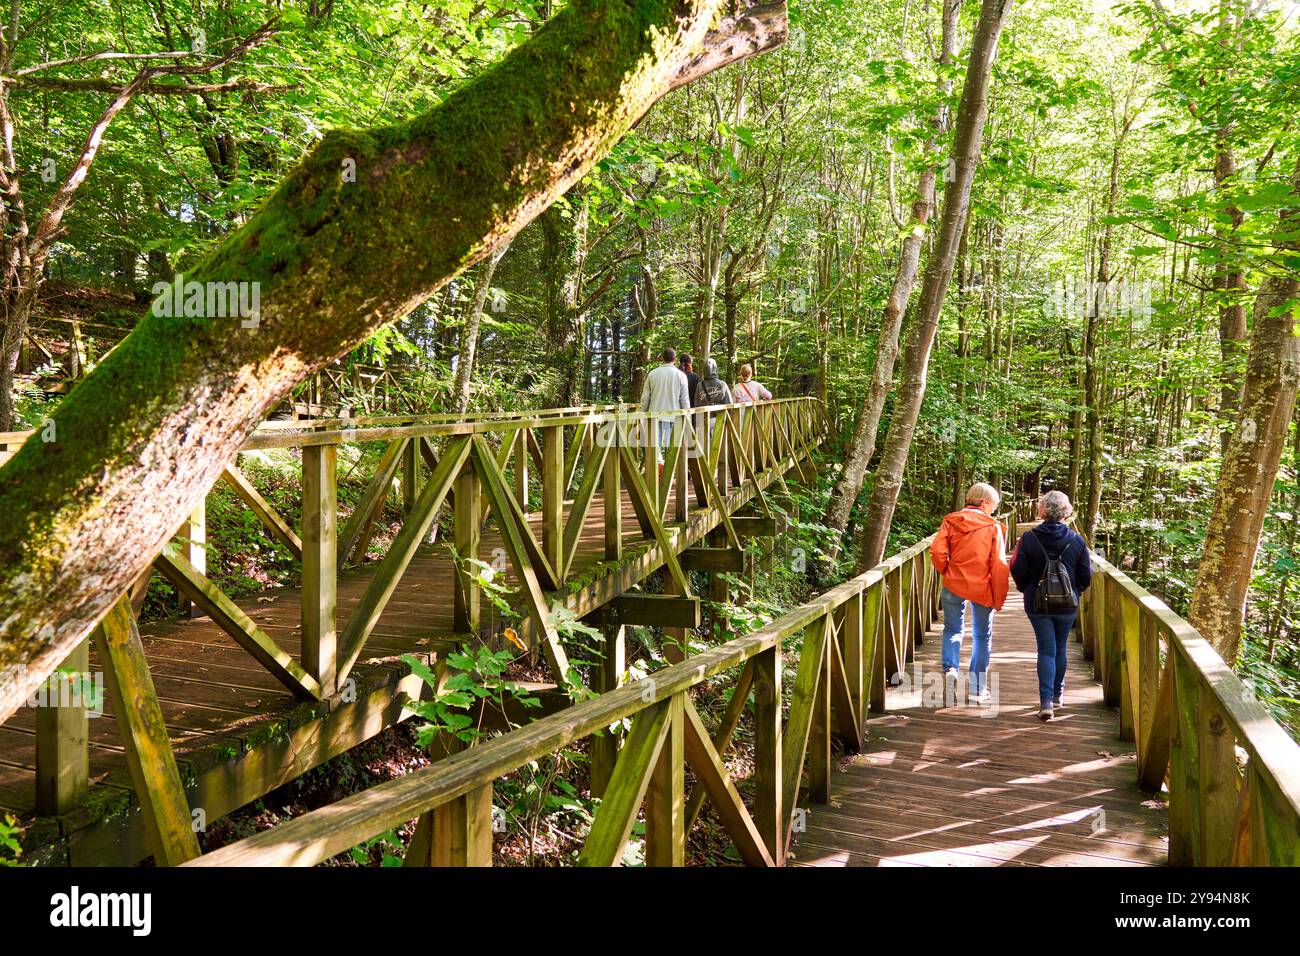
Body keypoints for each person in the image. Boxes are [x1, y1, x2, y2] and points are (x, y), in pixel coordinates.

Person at [1010, 490, 1092, 722]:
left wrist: (1027, 589)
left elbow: (1016, 568)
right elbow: (1086, 575)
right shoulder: (1077, 540)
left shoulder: (1029, 538)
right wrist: (1075, 591)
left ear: (1042, 510)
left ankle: (1046, 702)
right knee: (1060, 648)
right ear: (1066, 512)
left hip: (1037, 603)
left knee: (1046, 649)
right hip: (1067, 604)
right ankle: (1057, 696)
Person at [929, 482, 1009, 702]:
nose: (994, 510)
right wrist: (999, 596)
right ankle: (977, 689)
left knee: (952, 628)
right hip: (982, 586)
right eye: (993, 505)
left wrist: (947, 570)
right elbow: (999, 565)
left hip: (953, 583)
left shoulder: (951, 521)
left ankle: (951, 669)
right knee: (982, 636)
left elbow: (937, 551)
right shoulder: (992, 527)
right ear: (983, 503)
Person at [639, 346, 690, 463]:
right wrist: (687, 417)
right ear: (675, 359)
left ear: (662, 358)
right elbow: (684, 400)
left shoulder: (652, 374)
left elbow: (645, 398)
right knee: (673, 448)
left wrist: (642, 414)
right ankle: (671, 473)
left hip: (654, 416)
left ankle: (658, 472)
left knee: (655, 448)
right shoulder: (681, 376)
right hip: (674, 417)